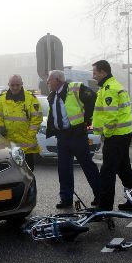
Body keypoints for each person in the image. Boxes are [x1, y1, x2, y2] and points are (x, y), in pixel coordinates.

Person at [45, 70, 100, 209]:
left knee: (87, 166)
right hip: (62, 136)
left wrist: (87, 120)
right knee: (63, 168)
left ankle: (100, 196)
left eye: (49, 80)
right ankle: (66, 199)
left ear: (58, 80)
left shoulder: (75, 88)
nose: (47, 82)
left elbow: (93, 98)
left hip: (77, 135)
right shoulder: (52, 95)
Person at [91, 60, 132, 211]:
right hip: (123, 134)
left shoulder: (110, 89)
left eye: (95, 73)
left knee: (107, 172)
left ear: (103, 72)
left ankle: (104, 208)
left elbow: (111, 118)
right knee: (124, 169)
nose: (94, 76)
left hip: (115, 136)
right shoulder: (112, 86)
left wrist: (107, 134)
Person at [0, 74, 43, 171]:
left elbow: (36, 119)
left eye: (17, 85)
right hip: (8, 145)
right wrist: (0, 127)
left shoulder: (31, 98)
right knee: (11, 174)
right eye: (12, 85)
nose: (15, 87)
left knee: (28, 174)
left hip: (27, 146)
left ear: (22, 84)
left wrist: (29, 136)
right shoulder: (2, 98)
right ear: (8, 84)